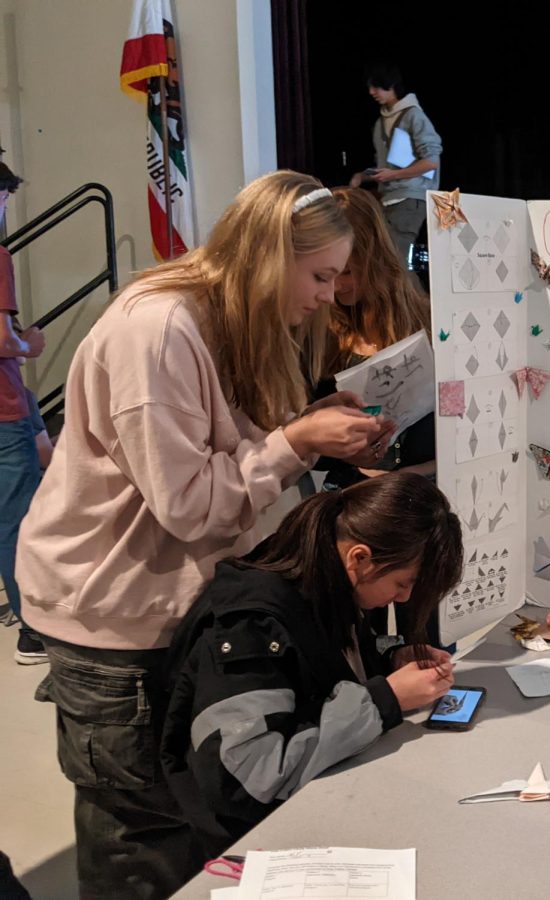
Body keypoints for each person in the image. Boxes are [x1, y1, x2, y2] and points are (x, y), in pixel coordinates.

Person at [15, 170, 389, 899]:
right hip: (116, 629)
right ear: (269, 254)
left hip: (169, 612)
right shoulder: (158, 331)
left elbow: (232, 451)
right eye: (318, 276)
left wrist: (312, 431)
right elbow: (189, 505)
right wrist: (297, 441)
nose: (324, 296)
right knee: (142, 844)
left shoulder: (226, 324)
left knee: (185, 828)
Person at [161, 473, 462, 858]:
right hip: (256, 842)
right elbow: (252, 778)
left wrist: (390, 660)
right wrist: (385, 699)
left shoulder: (324, 578)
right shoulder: (254, 624)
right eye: (403, 583)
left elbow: (324, 670)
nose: (403, 599)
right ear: (360, 558)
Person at [315, 186, 435, 489]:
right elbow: (309, 448)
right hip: (349, 490)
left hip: (422, 490)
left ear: (375, 258)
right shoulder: (320, 334)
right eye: (323, 275)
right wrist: (345, 453)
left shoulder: (431, 325)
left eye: (346, 272)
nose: (334, 289)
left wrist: (414, 474)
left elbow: (459, 431)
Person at [0, 158, 49, 665]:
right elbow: (1, 339)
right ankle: (33, 631)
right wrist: (29, 345)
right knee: (19, 519)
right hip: (3, 405)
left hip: (17, 402)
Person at [349, 63, 442, 268]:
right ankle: (414, 300)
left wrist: (393, 175)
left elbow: (431, 162)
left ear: (390, 84)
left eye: (376, 86)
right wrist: (361, 177)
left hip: (411, 198)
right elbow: (385, 168)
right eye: (370, 87)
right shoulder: (380, 123)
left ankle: (418, 301)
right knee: (384, 263)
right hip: (388, 200)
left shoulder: (413, 116)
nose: (372, 92)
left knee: (393, 264)